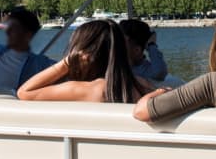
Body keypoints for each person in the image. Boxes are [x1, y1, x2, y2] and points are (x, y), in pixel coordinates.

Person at [18, 19, 149, 103]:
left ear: (83, 54)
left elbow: (24, 92)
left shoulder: (90, 90)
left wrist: (67, 62)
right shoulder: (141, 85)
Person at [0, 8, 54, 92]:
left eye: (13, 28)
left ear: (28, 34)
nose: (8, 31)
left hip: (8, 104)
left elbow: (65, 67)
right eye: (8, 27)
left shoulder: (40, 64)